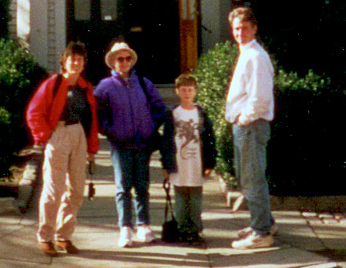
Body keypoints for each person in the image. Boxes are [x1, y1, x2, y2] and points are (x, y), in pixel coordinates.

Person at [26, 40, 99, 256]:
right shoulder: (54, 83)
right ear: (64, 61)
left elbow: (91, 119)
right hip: (58, 133)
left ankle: (64, 236)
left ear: (84, 63)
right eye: (72, 59)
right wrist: (45, 136)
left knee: (76, 189)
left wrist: (92, 148)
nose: (76, 63)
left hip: (78, 135)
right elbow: (34, 112)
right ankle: (45, 237)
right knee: (54, 188)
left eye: (80, 59)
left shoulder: (85, 88)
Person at [94, 40, 167, 249]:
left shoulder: (144, 83)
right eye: (120, 59)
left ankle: (143, 224)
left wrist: (150, 126)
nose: (124, 62)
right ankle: (125, 227)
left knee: (142, 186)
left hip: (143, 144)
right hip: (120, 145)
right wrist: (110, 130)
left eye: (127, 58)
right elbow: (97, 115)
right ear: (113, 62)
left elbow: (159, 107)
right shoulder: (105, 87)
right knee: (123, 187)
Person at [224, 5, 276, 250]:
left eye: (245, 28)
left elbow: (260, 97)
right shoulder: (247, 53)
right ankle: (264, 223)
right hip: (246, 126)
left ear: (254, 29)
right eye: (236, 29)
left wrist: (244, 119)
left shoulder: (256, 57)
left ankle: (261, 233)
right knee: (250, 178)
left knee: (252, 180)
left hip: (251, 125)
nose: (240, 33)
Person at [160, 72, 217, 244]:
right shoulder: (172, 114)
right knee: (180, 199)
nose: (187, 93)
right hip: (179, 164)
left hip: (196, 163)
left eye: (190, 90)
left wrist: (210, 163)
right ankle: (182, 229)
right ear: (177, 91)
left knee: (195, 200)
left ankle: (194, 230)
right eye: (183, 90)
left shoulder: (201, 114)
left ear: (195, 91)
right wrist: (165, 165)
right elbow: (166, 141)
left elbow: (209, 139)